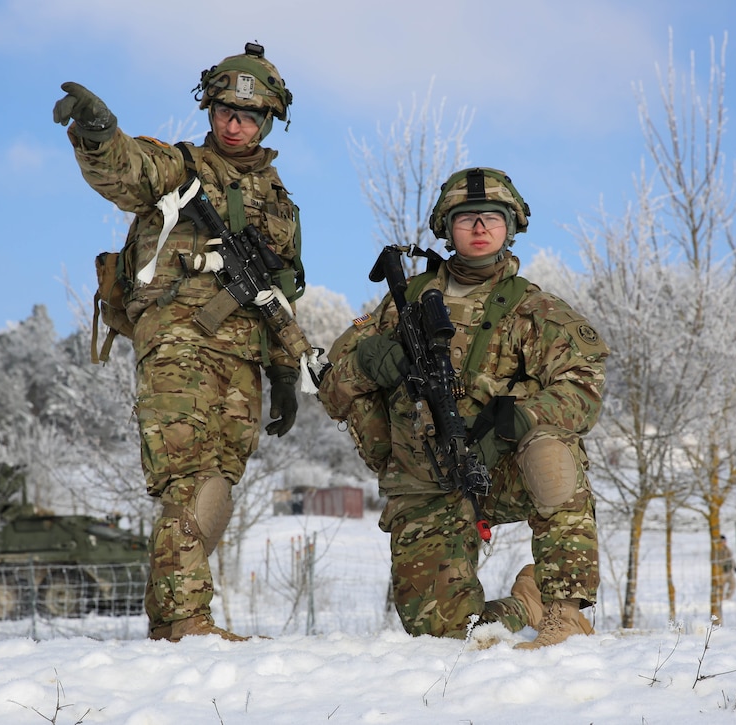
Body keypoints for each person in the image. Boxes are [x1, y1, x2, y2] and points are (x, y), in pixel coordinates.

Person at [53, 43, 303, 642]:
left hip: (241, 359)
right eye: (225, 110)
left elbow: (283, 298)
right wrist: (98, 133)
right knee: (187, 477)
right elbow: (127, 169)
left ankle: (176, 622)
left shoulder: (282, 204)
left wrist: (286, 373)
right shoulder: (181, 168)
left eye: (249, 115)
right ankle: (185, 625)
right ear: (210, 109)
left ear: (268, 121)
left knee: (216, 485)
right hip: (179, 343)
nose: (235, 123)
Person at [317, 167, 609, 648]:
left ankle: (564, 612)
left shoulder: (535, 310)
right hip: (424, 479)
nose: (478, 228)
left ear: (509, 227)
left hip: (502, 467)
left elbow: (583, 390)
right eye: (465, 217)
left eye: (491, 217)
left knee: (552, 450)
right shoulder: (400, 304)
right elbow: (332, 390)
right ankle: (526, 603)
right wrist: (368, 364)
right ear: (446, 228)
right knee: (448, 638)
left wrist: (522, 417)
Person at [716, 534, 736, 600]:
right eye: (722, 541)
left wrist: (735, 566)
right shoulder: (717, 551)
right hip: (722, 572)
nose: (723, 542)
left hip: (730, 571)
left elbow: (731, 559)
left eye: (724, 541)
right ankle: (720, 599)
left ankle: (728, 598)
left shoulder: (728, 549)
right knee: (721, 587)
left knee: (733, 584)